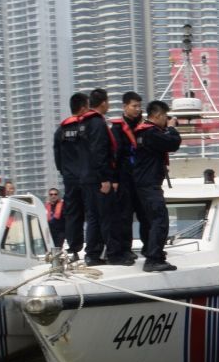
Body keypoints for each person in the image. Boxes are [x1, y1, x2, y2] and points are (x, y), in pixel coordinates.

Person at [131, 100, 182, 272]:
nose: (166, 120)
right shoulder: (151, 133)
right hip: (149, 184)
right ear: (158, 115)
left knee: (149, 220)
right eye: (165, 117)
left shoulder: (142, 132)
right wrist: (172, 128)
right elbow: (173, 143)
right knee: (160, 219)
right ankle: (153, 259)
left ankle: (153, 253)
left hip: (142, 183)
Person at [88, 89, 134, 265]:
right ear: (103, 103)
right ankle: (114, 254)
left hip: (87, 180)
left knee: (94, 218)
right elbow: (100, 153)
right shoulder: (98, 124)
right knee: (110, 217)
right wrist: (106, 179)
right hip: (101, 180)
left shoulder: (85, 123)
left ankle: (92, 254)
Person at [52, 92, 99, 259]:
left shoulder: (60, 131)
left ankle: (73, 249)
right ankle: (92, 251)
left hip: (70, 178)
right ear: (84, 107)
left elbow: (57, 158)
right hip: (87, 177)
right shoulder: (85, 128)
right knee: (92, 213)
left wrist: (65, 172)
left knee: (73, 214)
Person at [108, 91, 148, 263]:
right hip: (124, 177)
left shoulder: (145, 127)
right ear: (125, 107)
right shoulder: (117, 129)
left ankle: (150, 246)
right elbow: (113, 155)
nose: (138, 109)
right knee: (124, 216)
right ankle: (125, 249)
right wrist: (114, 179)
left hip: (142, 177)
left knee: (146, 214)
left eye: (139, 106)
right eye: (134, 106)